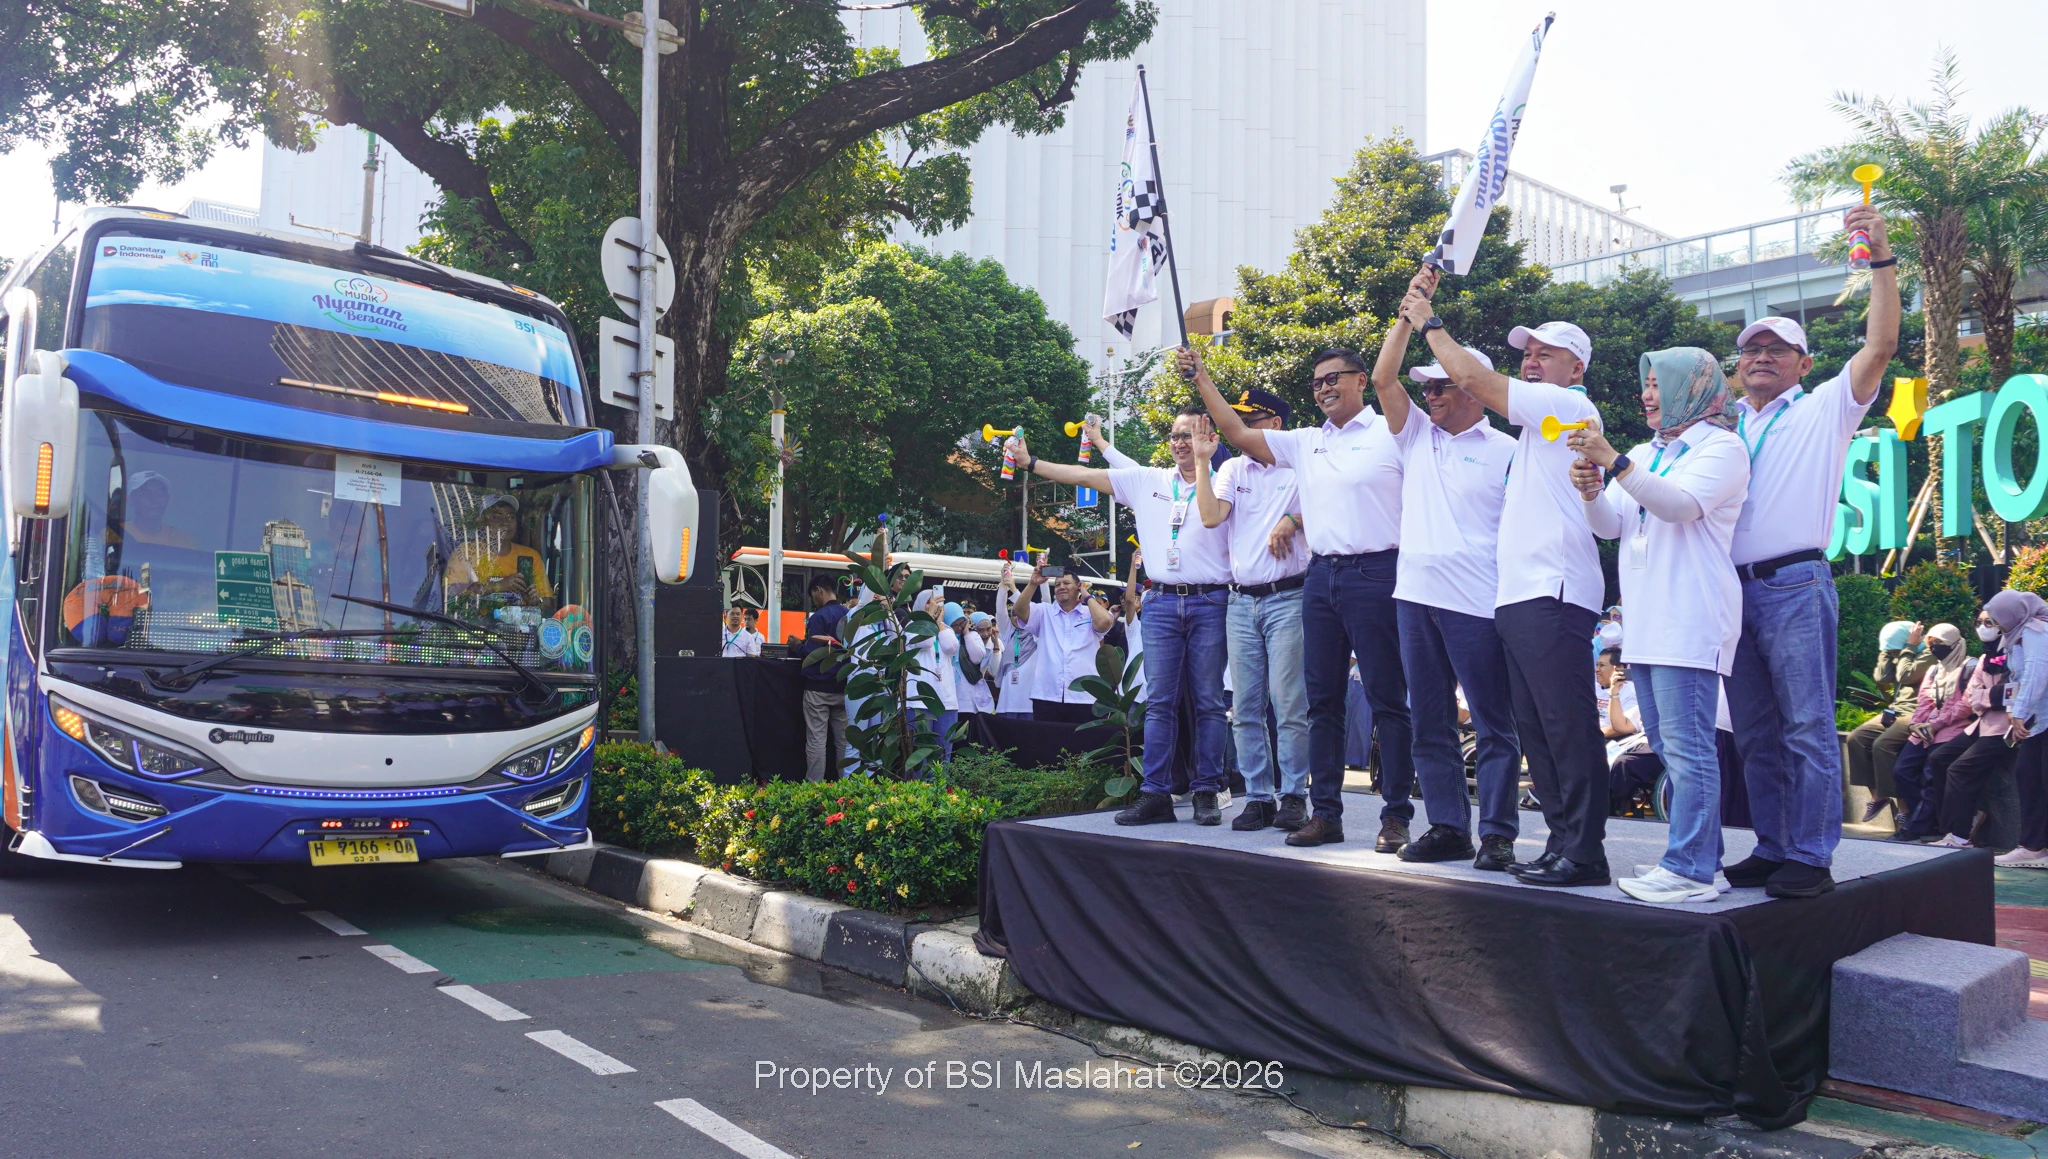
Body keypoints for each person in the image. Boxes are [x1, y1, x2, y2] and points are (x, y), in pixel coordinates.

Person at [1400, 278, 1610, 886]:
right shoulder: (1539, 429)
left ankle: (1586, 851)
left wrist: (1429, 322)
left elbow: (1476, 382)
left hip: (1556, 590)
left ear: (1577, 368)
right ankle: (1561, 842)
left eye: (1547, 353)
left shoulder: (1569, 407)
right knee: (1538, 731)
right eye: (1529, 352)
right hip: (1517, 596)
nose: (1533, 360)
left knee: (1565, 726)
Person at [1718, 205, 1901, 898]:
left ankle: (1812, 852)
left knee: (1805, 726)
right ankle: (1772, 845)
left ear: (1804, 363)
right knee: (1757, 734)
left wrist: (1880, 259)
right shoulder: (1718, 424)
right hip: (1731, 588)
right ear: (1737, 368)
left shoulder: (1826, 405)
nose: (1760, 356)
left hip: (1795, 583)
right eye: (1750, 350)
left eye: (1775, 349)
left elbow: (1880, 345)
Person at [1185, 344, 1408, 850]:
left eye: (1334, 378)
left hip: (1378, 570)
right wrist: (1202, 378)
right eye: (1317, 382)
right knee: (1321, 704)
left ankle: (1396, 815)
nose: (1325, 387)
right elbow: (1237, 433)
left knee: (1387, 700)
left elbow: (1389, 387)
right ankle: (1324, 812)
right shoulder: (1305, 443)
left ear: (1359, 380)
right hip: (1322, 576)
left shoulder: (1392, 430)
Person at [1568, 347, 1750, 903]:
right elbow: (1612, 526)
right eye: (1644, 384)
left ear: (1691, 388)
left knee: (1690, 750)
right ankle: (1700, 860)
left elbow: (1680, 506)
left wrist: (1616, 464)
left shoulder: (1723, 448)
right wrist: (1592, 490)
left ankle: (1691, 870)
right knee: (1671, 748)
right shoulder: (1651, 453)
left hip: (1690, 618)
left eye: (1656, 384)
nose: (1646, 395)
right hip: (1648, 624)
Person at [1011, 409, 1234, 825]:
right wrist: (1032, 463)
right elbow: (1084, 477)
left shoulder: (1225, 480)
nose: (1180, 442)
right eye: (1174, 436)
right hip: (1162, 602)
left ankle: (1207, 790)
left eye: (1190, 435)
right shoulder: (1148, 480)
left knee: (1207, 702)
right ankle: (1156, 794)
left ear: (1210, 437)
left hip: (1211, 600)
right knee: (1160, 703)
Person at [1370, 286, 1522, 870]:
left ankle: (1500, 832)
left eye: (1440, 385)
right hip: (1415, 599)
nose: (1429, 394)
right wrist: (1408, 314)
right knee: (1428, 721)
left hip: (1480, 603)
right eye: (1427, 386)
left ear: (1473, 389)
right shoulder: (1416, 436)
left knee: (1492, 724)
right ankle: (1447, 827)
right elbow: (1385, 380)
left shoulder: (1509, 449)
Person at [1192, 386, 1311, 833]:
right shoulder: (1233, 468)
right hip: (1241, 600)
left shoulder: (1301, 462)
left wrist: (1295, 519)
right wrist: (1204, 461)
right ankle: (1259, 796)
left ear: (1276, 425)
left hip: (1288, 596)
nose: (1240, 432)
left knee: (1288, 704)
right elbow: (1209, 516)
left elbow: (1332, 508)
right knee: (1244, 707)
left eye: (1251, 422)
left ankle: (1295, 794)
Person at [1923, 606, 2021, 848]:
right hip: (1981, 724)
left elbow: (2010, 693)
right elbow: (1972, 696)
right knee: (1938, 759)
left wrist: (1988, 698)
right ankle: (1953, 824)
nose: (1982, 628)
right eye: (1979, 622)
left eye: (1990, 623)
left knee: (1960, 770)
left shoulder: (2017, 652)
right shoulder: (1987, 657)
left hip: (2005, 728)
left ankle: (1959, 835)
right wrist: (1990, 698)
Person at [1892, 624, 1972, 842]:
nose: (1936, 648)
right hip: (1927, 727)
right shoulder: (1934, 669)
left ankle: (1916, 826)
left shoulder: (1970, 667)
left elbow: (1966, 705)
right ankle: (1931, 818)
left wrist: (1937, 723)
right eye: (1932, 644)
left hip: (1954, 726)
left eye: (1941, 643)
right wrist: (1915, 725)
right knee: (1902, 770)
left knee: (1931, 772)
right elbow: (1924, 701)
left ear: (1955, 643)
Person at [1008, 561, 1114, 725]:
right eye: (1057, 584)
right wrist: (1033, 583)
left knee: (1082, 747)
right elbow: (1019, 611)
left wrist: (1087, 596)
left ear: (1078, 586)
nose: (1060, 587)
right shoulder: (1045, 612)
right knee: (1048, 747)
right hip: (1047, 695)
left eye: (1066, 583)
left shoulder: (1089, 613)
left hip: (1084, 696)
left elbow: (1105, 622)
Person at [1845, 621, 1930, 823]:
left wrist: (1908, 647)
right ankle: (1878, 796)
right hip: (1897, 710)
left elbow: (1905, 675)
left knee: (1883, 745)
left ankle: (1904, 808)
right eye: (1889, 652)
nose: (1893, 655)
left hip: (1918, 712)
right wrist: (1886, 651)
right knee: (1856, 738)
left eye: (1894, 650)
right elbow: (1883, 676)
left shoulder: (1928, 654)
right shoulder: (1899, 653)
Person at [1990, 592, 2048, 867]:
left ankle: (2033, 845)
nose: (1994, 624)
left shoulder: (2036, 631)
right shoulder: (2017, 635)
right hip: (2039, 722)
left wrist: (2019, 714)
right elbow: (2018, 678)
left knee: (2036, 780)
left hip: (2042, 719)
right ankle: (2034, 846)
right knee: (2030, 778)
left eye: (1997, 618)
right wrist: (2015, 712)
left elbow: (2037, 674)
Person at [448, 494, 555, 612]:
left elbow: (548, 604)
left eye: (511, 517)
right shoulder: (466, 553)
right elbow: (450, 593)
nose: (506, 522)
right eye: (497, 516)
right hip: (473, 628)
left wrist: (534, 602)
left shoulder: (530, 556)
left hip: (517, 629)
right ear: (483, 523)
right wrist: (499, 586)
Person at [798, 576, 850, 781]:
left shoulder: (819, 617)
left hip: (818, 690)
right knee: (844, 743)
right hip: (843, 687)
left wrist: (796, 645)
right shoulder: (849, 615)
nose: (813, 600)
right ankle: (844, 787)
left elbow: (810, 654)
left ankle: (814, 788)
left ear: (819, 590)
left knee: (816, 740)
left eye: (813, 595)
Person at [1599, 648, 1661, 814]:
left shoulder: (1635, 691)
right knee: (1599, 756)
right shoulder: (1646, 695)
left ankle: (1611, 808)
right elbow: (1622, 725)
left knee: (1623, 763)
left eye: (1601, 665)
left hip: (1660, 745)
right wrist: (1614, 693)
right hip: (1637, 741)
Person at [908, 587, 962, 764]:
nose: (933, 605)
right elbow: (925, 641)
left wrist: (939, 623)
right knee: (919, 756)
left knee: (942, 754)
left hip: (946, 701)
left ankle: (941, 791)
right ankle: (918, 792)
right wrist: (929, 619)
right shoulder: (910, 626)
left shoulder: (945, 629)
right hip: (919, 701)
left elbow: (951, 648)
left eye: (937, 602)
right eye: (929, 602)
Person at [992, 560, 1042, 720]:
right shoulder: (1009, 634)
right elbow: (1000, 610)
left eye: (1019, 613)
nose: (1016, 617)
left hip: (1029, 704)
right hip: (1007, 703)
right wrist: (1003, 584)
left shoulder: (1038, 633)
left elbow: (1028, 607)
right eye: (1013, 614)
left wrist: (1014, 588)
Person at [957, 609, 998, 716]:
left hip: (979, 695)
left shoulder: (992, 644)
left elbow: (995, 671)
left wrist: (996, 646)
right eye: (980, 630)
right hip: (962, 692)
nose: (985, 634)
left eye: (988, 629)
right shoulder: (963, 642)